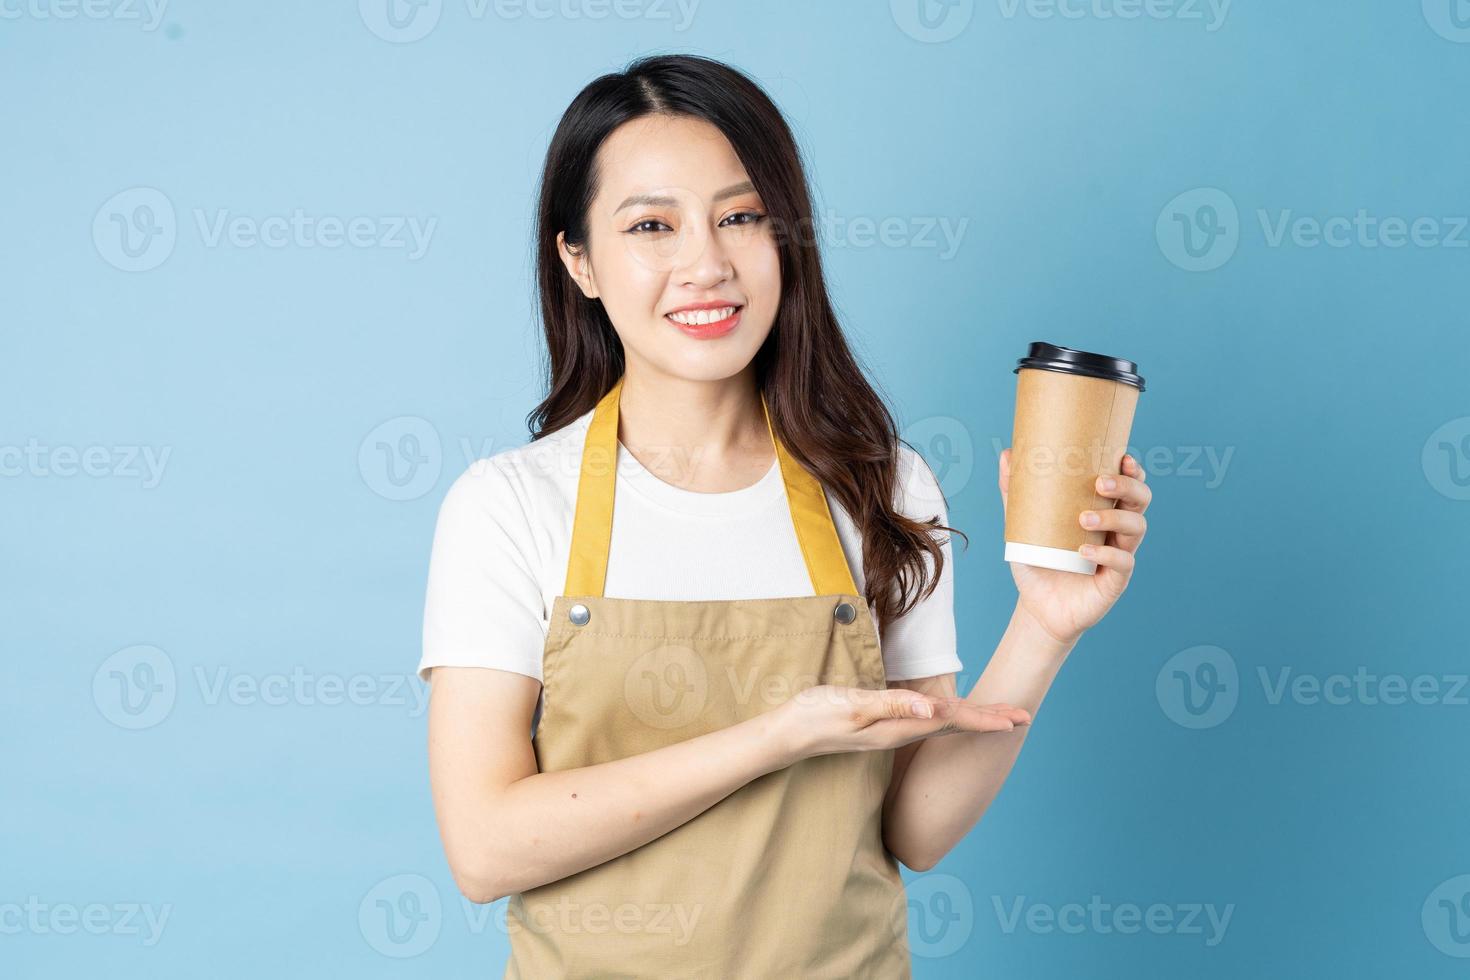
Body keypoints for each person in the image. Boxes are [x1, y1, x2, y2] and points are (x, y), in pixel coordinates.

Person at [419, 53, 1153, 979]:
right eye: (652, 225)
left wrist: (1045, 627)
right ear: (579, 262)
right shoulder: (511, 508)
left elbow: (913, 832)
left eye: (741, 217)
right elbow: (486, 849)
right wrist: (777, 736)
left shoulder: (882, 488)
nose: (707, 265)